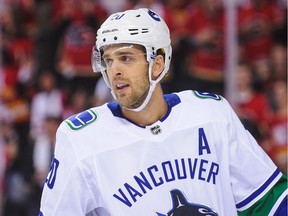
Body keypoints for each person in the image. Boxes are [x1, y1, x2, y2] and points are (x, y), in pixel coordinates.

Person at [38, 8, 287, 216]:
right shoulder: (82, 139)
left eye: (126, 58)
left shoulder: (211, 114)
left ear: (157, 64)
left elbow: (268, 201)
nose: (114, 70)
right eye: (108, 60)